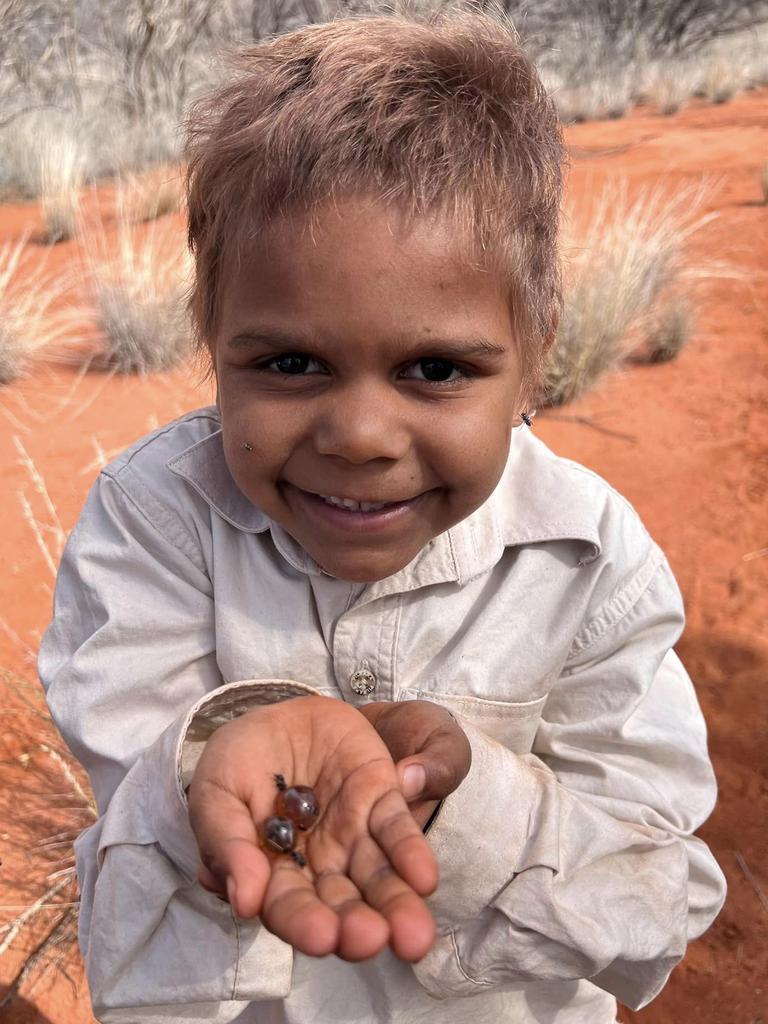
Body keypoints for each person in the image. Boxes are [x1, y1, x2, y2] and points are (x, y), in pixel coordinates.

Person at [38, 8, 726, 1024]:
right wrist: (205, 766)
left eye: (435, 369)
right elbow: (132, 842)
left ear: (539, 350)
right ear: (210, 335)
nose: (359, 433)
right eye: (289, 363)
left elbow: (657, 905)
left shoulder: (592, 562)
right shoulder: (154, 522)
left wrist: (469, 807)